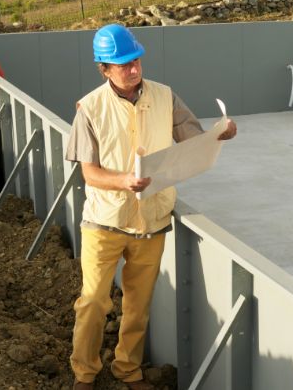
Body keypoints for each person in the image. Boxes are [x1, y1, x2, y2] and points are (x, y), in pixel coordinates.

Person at [65, 24, 237, 390]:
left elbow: (192, 138)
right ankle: (84, 373)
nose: (133, 68)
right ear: (104, 68)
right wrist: (124, 181)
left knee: (137, 305)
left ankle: (127, 370)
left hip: (152, 218)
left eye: (136, 60)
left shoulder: (165, 96)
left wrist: (218, 134)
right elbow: (90, 173)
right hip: (104, 220)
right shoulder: (90, 108)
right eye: (123, 63)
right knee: (94, 301)